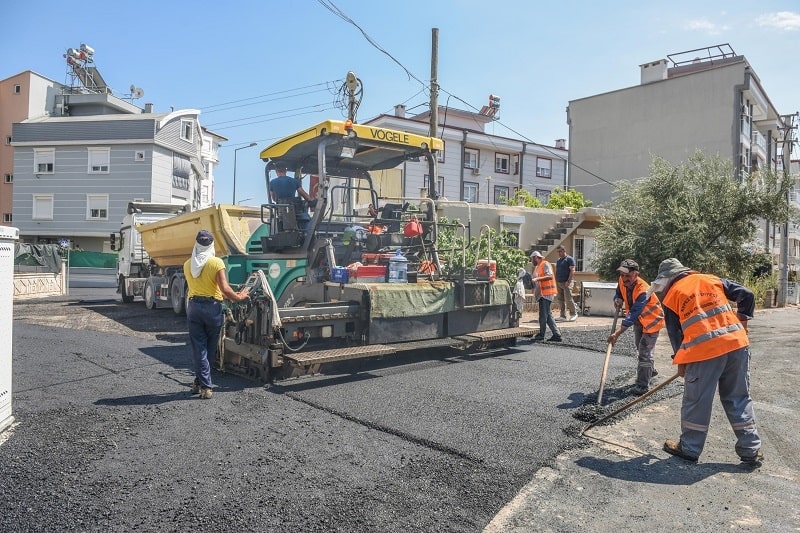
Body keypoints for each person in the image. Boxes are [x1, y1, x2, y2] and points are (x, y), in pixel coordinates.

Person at [649, 258, 762, 466]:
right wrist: (742, 322)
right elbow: (747, 294)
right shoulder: (711, 279)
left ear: (667, 279)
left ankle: (690, 448)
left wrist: (681, 362)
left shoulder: (672, 295)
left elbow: (677, 336)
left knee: (697, 400)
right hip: (737, 345)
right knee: (738, 397)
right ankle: (750, 450)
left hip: (704, 352)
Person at [183, 230, 250, 399]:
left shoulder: (187, 264)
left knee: (199, 347)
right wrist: (239, 297)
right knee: (210, 348)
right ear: (211, 245)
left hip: (193, 308)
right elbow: (224, 289)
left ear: (197, 244)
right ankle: (206, 387)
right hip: (212, 309)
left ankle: (198, 382)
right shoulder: (216, 263)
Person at [606, 259, 664, 395]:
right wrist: (617, 298)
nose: (624, 278)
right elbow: (619, 291)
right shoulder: (622, 280)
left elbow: (632, 315)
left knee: (644, 352)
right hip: (639, 320)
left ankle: (643, 386)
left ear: (636, 274)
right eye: (622, 275)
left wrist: (617, 334)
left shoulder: (643, 290)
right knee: (639, 346)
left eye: (628, 275)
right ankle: (650, 370)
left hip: (651, 321)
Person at [268, 163, 315, 231]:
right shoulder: (294, 181)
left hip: (282, 213)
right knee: (307, 218)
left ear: (276, 171)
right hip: (295, 212)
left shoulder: (272, 183)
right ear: (286, 170)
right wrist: (311, 200)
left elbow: (273, 198)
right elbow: (304, 195)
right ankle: (308, 233)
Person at [530, 251, 561, 342]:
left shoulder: (545, 264)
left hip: (546, 294)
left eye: (532, 259)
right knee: (548, 315)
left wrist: (537, 279)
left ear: (536, 257)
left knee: (543, 316)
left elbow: (550, 276)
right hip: (542, 294)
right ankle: (557, 334)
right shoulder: (538, 267)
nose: (532, 261)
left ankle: (541, 334)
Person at [554, 245, 578, 321]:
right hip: (559, 282)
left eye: (560, 251)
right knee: (560, 300)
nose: (559, 253)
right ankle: (562, 316)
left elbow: (572, 270)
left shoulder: (569, 259)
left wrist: (568, 281)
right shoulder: (558, 260)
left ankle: (573, 313)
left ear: (564, 251)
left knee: (568, 299)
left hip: (567, 282)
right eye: (557, 252)